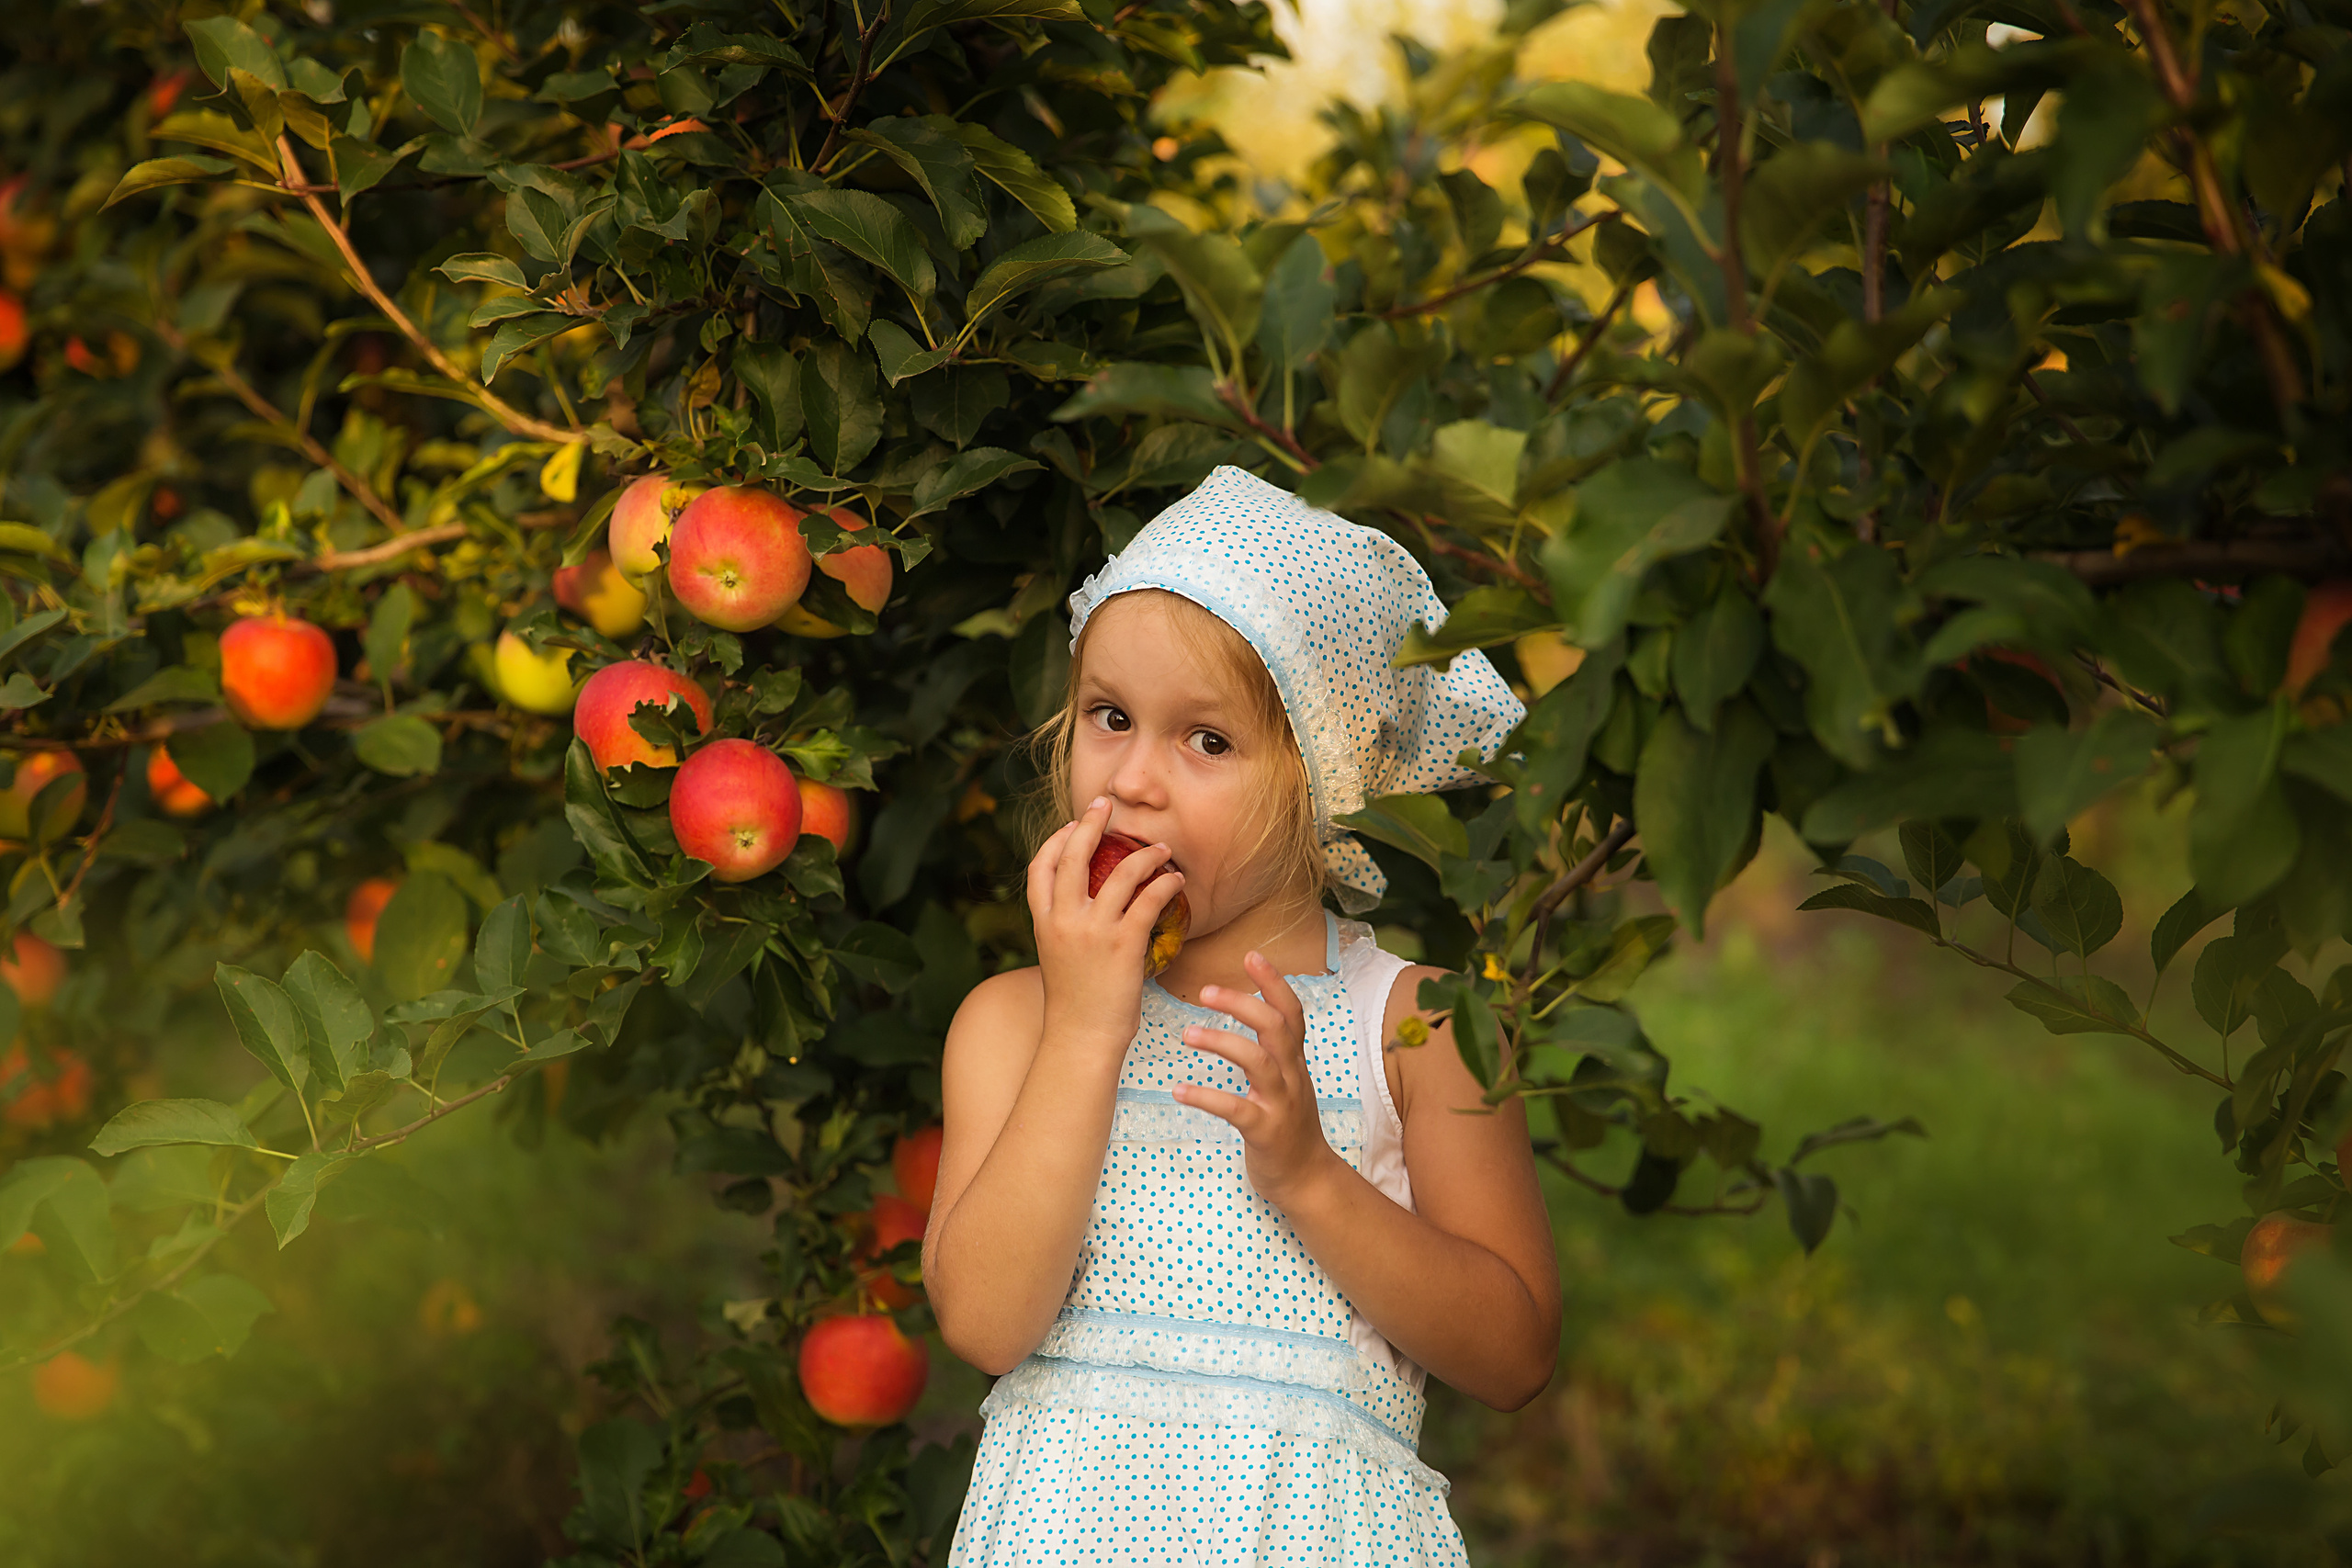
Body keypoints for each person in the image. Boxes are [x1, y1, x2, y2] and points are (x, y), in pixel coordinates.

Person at [925, 466, 1561, 1565]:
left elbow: (1512, 1356)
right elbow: (984, 1323)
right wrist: (1086, 1030)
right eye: (1109, 717)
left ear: (1318, 787)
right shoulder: (1016, 1024)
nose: (1130, 781)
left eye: (1206, 741)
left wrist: (1313, 1178)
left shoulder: (1412, 1029)